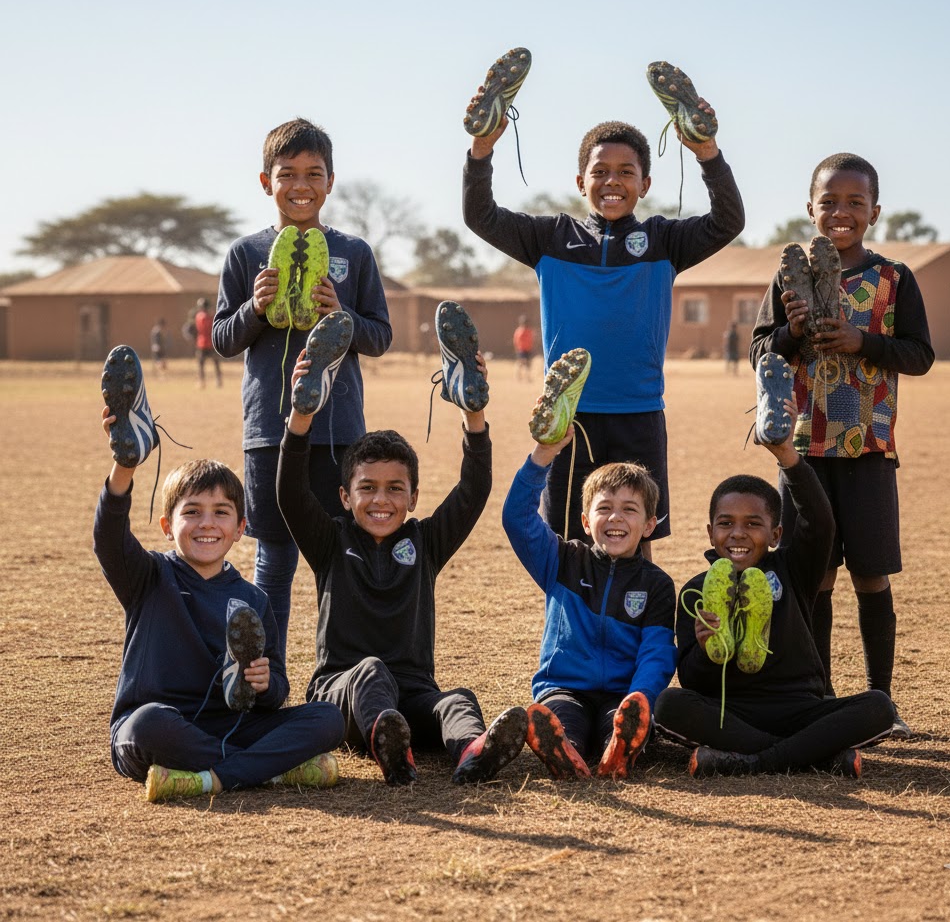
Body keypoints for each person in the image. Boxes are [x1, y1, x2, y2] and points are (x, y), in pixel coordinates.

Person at [463, 70, 744, 559]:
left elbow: (728, 221)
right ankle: (575, 634)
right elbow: (480, 215)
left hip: (639, 413)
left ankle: (639, 630)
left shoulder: (663, 241)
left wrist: (706, 152)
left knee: (639, 536)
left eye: (625, 171)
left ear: (645, 183)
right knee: (573, 543)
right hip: (569, 415)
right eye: (600, 171)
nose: (612, 181)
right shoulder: (549, 238)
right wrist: (481, 149)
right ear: (580, 181)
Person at [276, 311, 527, 786]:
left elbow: (473, 492)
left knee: (457, 700)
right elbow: (290, 493)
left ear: (413, 498)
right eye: (367, 488)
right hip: (341, 691)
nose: (381, 499)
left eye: (395, 488)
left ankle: (474, 753)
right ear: (345, 497)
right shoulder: (330, 541)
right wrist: (302, 415)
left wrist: (474, 414)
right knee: (370, 672)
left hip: (412, 692)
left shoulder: (425, 542)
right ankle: (388, 746)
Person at [94, 345, 345, 802]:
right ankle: (268, 770)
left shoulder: (253, 599)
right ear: (169, 527)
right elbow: (108, 538)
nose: (207, 523)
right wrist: (125, 465)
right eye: (192, 512)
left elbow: (276, 692)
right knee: (147, 724)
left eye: (221, 512)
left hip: (234, 724)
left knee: (327, 719)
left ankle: (215, 777)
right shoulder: (149, 577)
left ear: (240, 530)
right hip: (166, 727)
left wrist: (266, 684)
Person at [748, 152, 934, 736]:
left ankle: (882, 701)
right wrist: (793, 332)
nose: (841, 212)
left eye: (855, 202)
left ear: (875, 212)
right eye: (829, 201)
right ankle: (821, 697)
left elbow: (920, 354)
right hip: (801, 451)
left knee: (871, 576)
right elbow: (759, 353)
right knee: (814, 577)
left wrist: (862, 341)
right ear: (810, 208)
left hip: (870, 449)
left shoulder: (893, 278)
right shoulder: (788, 278)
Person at [213, 117, 391, 663]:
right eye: (287, 173)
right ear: (266, 181)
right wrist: (255, 308)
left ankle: (336, 678)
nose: (300, 185)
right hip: (270, 431)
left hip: (339, 434)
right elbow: (223, 338)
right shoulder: (245, 255)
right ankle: (269, 680)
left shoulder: (354, 252)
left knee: (340, 558)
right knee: (274, 557)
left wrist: (343, 317)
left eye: (313, 174)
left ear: (331, 181)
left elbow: (381, 336)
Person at [654, 397, 895, 777]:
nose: (738, 533)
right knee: (669, 704)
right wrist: (703, 650)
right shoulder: (696, 591)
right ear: (710, 532)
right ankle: (815, 756)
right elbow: (693, 680)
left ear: (776, 533)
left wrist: (788, 456)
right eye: (725, 522)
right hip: (731, 712)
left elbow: (820, 521)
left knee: (879, 707)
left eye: (753, 523)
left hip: (802, 708)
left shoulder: (793, 568)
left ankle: (754, 761)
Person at [503, 423, 676, 780]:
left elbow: (657, 653)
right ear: (585, 520)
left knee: (622, 721)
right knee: (564, 721)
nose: (615, 517)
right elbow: (517, 519)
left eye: (630, 509)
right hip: (565, 687)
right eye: (604, 508)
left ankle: (623, 745)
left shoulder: (656, 584)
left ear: (649, 525)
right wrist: (544, 455)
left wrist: (640, 696)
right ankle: (564, 751)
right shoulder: (562, 560)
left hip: (621, 693)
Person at [193, 298, 222, 388]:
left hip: (201, 343)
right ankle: (218, 380)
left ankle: (202, 382)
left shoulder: (198, 316)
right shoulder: (211, 316)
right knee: (216, 363)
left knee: (201, 365)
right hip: (211, 342)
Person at [512, 314, 534, 382]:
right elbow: (516, 341)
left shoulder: (529, 330)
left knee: (528, 364)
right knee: (521, 363)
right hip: (521, 350)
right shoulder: (519, 331)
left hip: (528, 349)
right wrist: (518, 349)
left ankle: (528, 377)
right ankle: (519, 376)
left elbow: (531, 340)